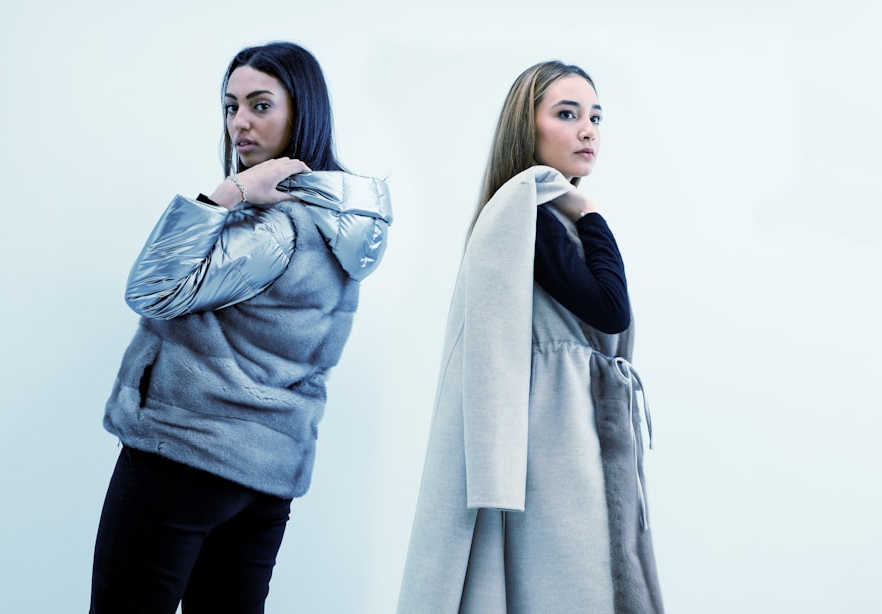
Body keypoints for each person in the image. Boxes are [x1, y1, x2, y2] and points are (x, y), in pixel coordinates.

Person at [89, 41, 392, 613]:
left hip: (184, 453)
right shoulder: (340, 224)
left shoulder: (274, 228)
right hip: (266, 473)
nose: (240, 124)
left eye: (260, 105)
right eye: (231, 107)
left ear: (302, 112)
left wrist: (224, 196)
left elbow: (151, 291)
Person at [396, 61, 663, 613]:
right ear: (528, 128)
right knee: (568, 585)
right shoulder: (531, 212)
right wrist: (590, 211)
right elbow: (611, 311)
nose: (588, 129)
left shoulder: (543, 215)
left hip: (561, 429)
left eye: (595, 116)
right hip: (553, 439)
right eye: (567, 114)